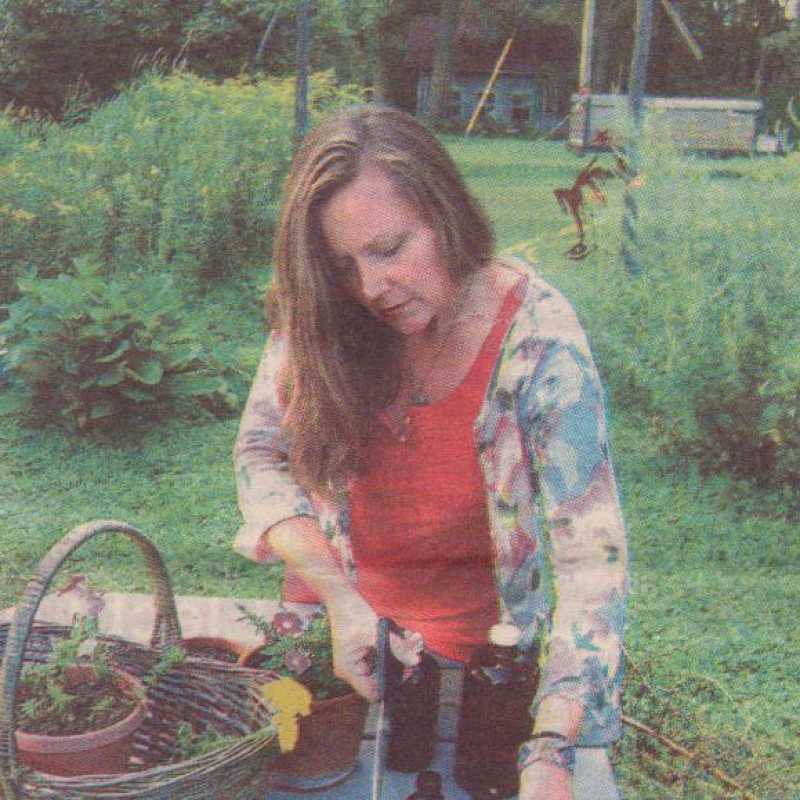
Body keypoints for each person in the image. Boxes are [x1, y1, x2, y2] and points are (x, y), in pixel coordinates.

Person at [233, 105, 628, 800]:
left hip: (485, 675)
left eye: (389, 249)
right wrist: (339, 597)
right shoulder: (326, 313)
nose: (370, 289)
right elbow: (261, 457)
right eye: (342, 265)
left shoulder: (539, 340)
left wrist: (552, 749)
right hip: (339, 648)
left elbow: (590, 557)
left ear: (446, 213)